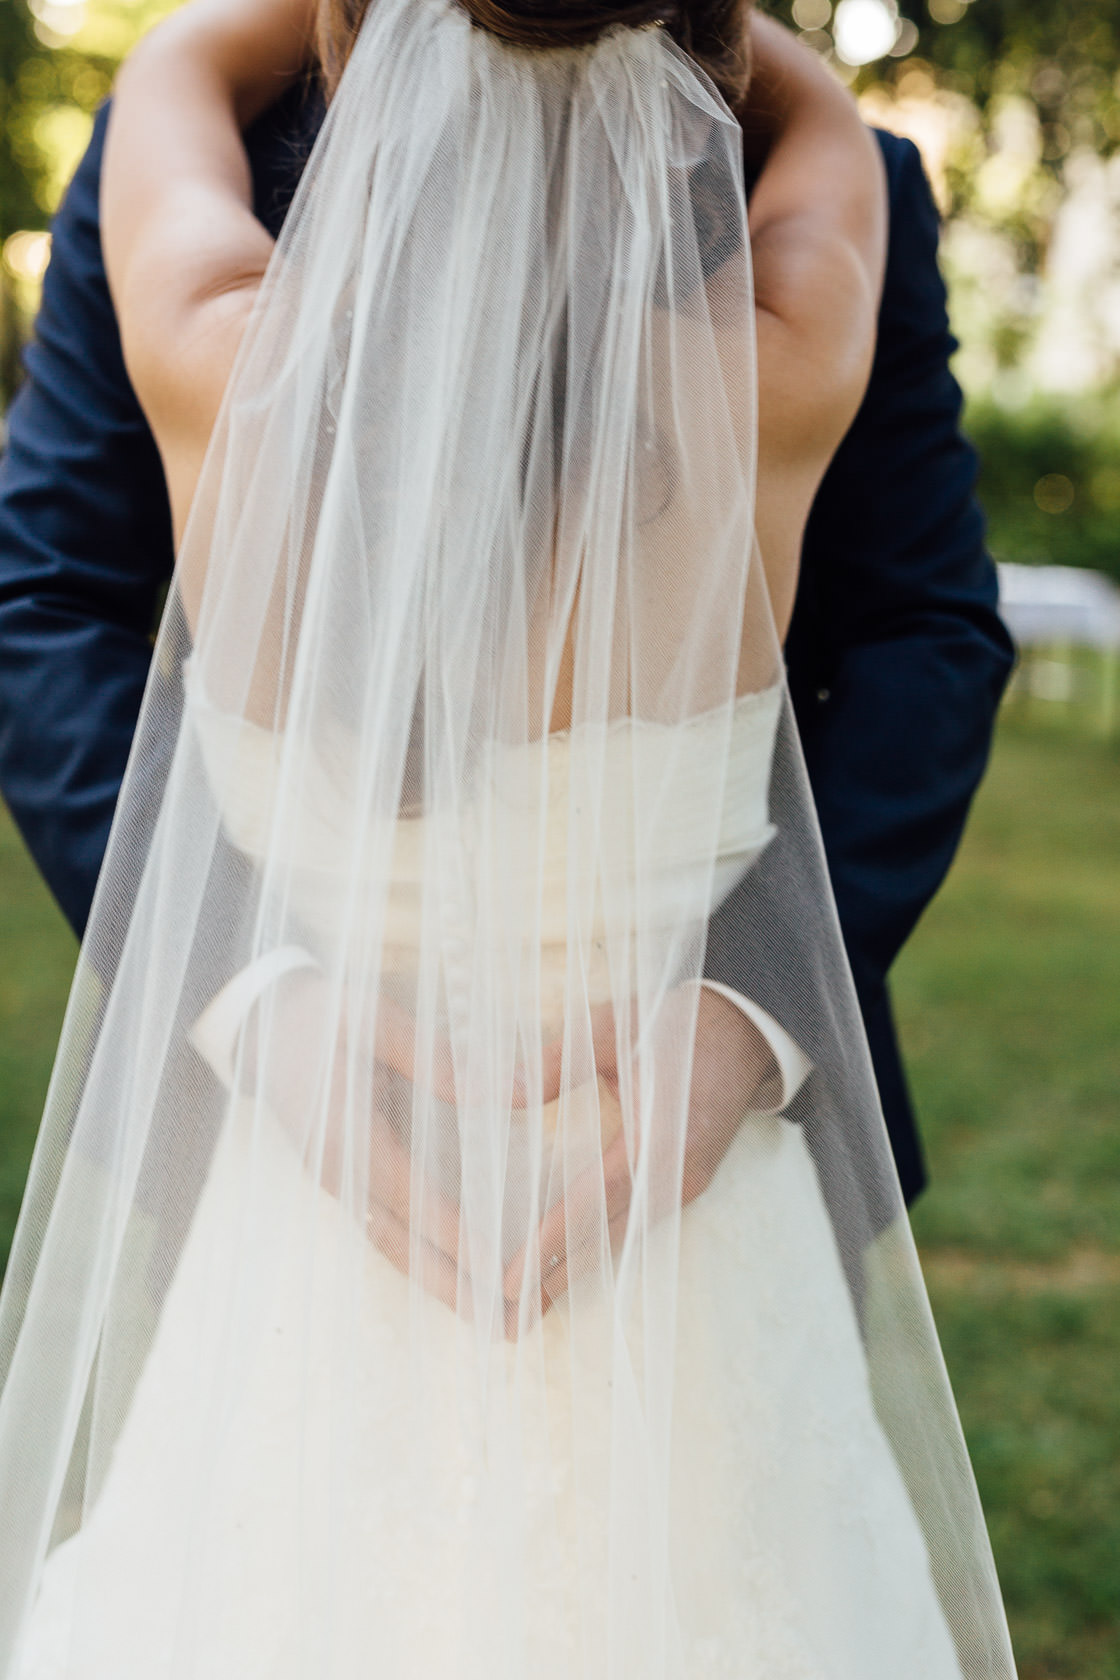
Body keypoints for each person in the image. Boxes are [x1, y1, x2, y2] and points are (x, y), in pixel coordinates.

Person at [0, 0, 1018, 1674]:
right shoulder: (792, 300)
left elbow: (926, 637)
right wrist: (239, 998)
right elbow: (51, 613)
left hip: (365, 1193)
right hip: (667, 1226)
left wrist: (744, 1022)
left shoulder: (210, 311)